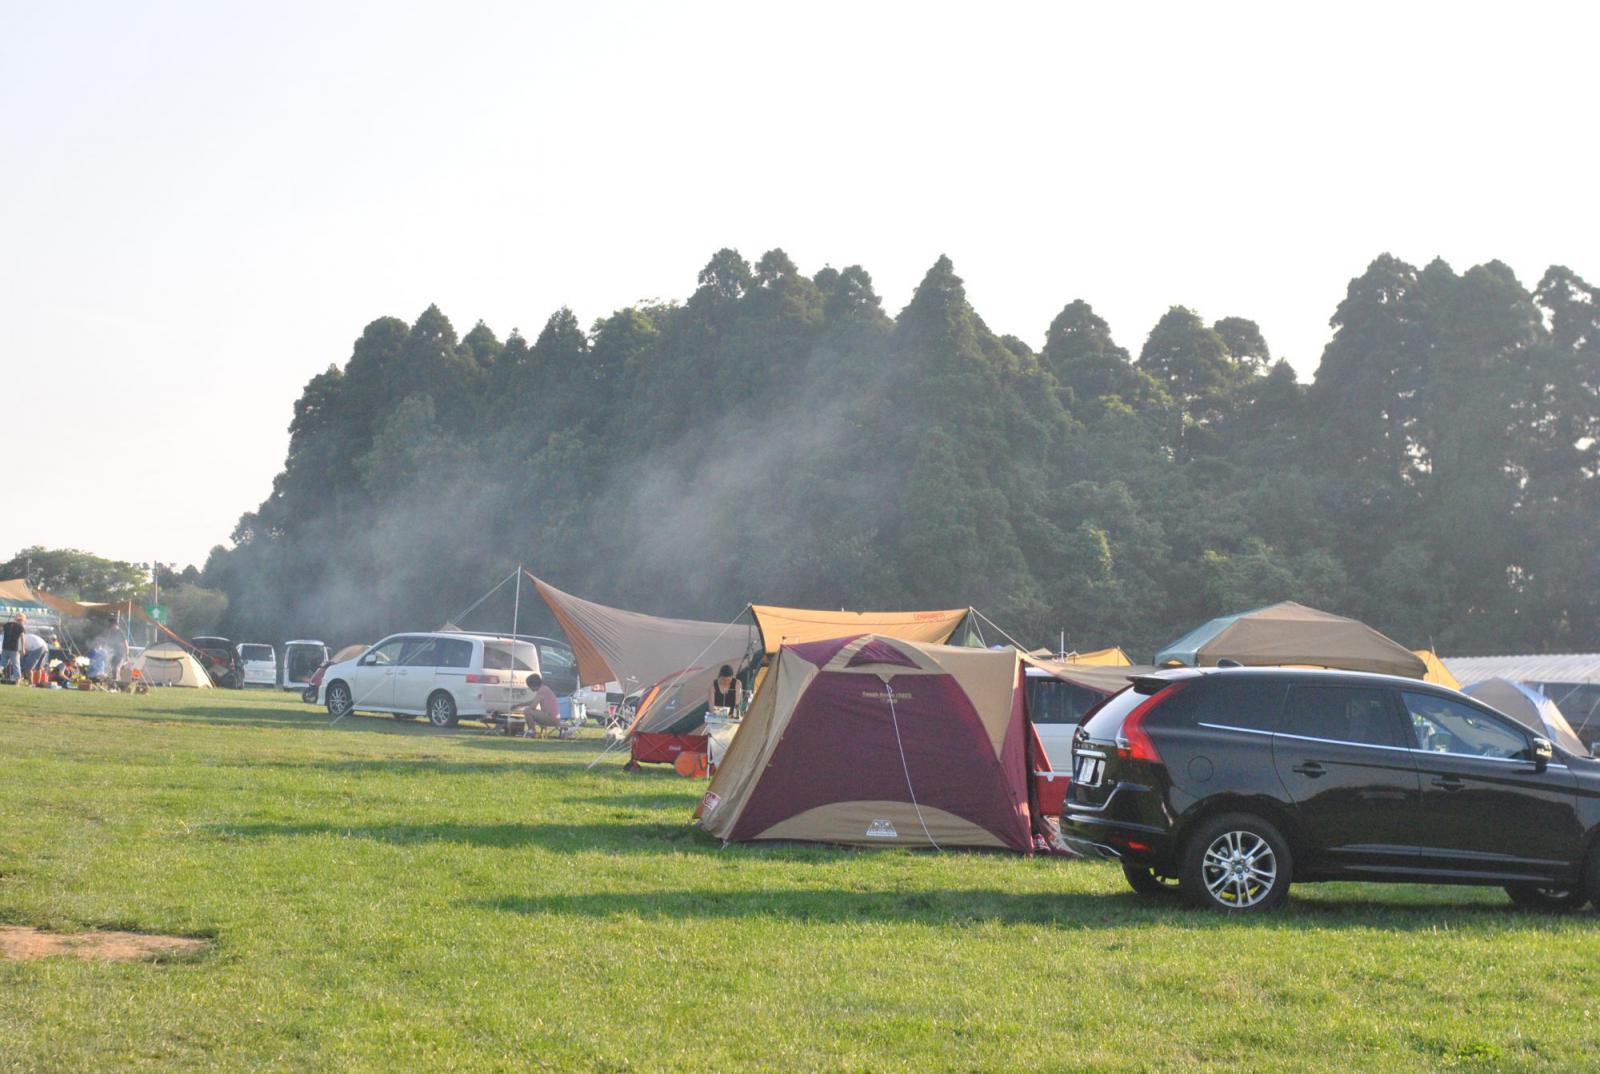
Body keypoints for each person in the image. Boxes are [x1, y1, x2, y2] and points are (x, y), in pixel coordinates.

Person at [520, 672, 563, 737]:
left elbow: (532, 706)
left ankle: (532, 731)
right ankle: (531, 730)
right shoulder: (544, 689)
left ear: (533, 685)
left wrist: (525, 708)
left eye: (529, 686)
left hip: (552, 718)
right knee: (528, 710)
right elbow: (532, 701)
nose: (529, 688)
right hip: (553, 717)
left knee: (527, 711)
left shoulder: (542, 691)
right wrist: (518, 705)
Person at [2, 614, 25, 685]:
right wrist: (23, 649)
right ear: (21, 620)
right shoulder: (21, 627)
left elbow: (2, 631)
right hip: (14, 649)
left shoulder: (6, 625)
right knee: (16, 665)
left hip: (5, 648)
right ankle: (17, 682)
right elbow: (22, 638)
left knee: (2, 664)